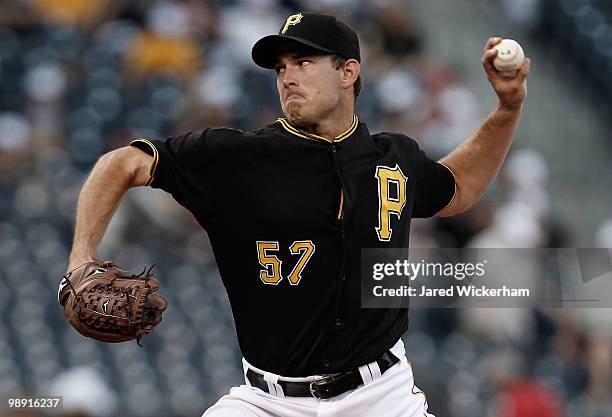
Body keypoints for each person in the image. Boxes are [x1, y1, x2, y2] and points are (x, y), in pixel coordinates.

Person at [66, 12, 530, 417]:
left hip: (382, 396)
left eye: (304, 63)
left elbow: (459, 187)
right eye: (281, 67)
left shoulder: (394, 157)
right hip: (269, 401)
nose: (287, 76)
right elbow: (122, 163)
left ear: (348, 72)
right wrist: (80, 258)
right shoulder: (237, 156)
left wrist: (508, 109)